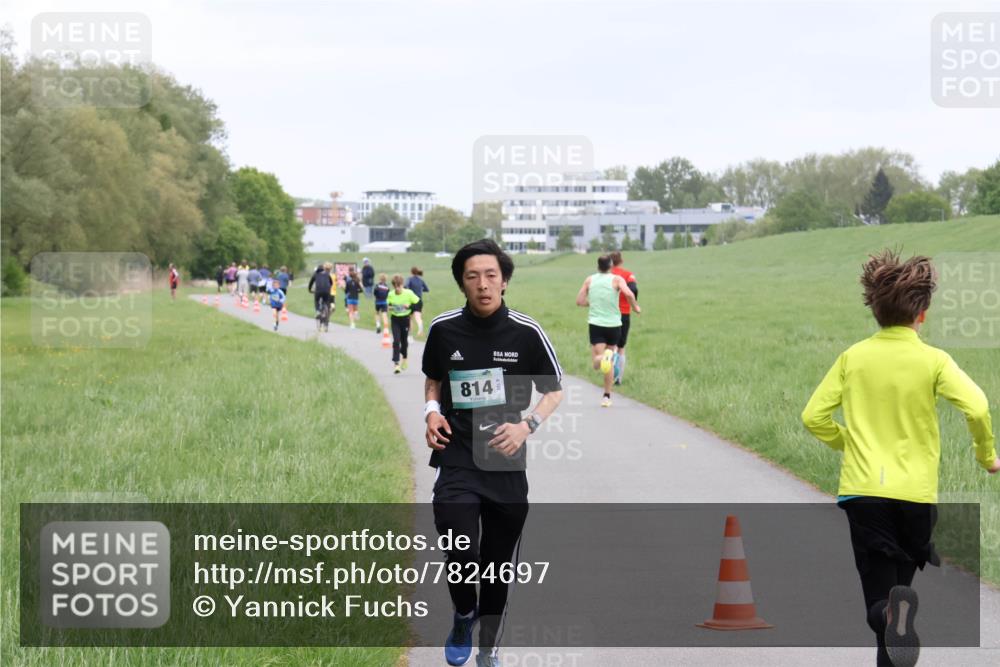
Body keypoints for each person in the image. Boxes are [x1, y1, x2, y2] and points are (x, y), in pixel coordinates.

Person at [802, 249, 998, 667]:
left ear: (873, 309)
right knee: (896, 609)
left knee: (881, 604)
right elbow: (978, 407)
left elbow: (813, 417)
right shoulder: (934, 360)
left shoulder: (853, 358)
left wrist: (849, 444)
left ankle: (890, 615)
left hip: (866, 495)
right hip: (916, 497)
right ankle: (895, 619)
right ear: (922, 313)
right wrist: (987, 455)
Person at [422, 239, 564, 667]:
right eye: (472, 277)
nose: (483, 285)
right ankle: (464, 613)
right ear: (461, 284)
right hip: (458, 455)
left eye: (490, 276)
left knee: (497, 566)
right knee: (459, 546)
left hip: (503, 460)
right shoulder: (444, 329)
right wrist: (431, 411)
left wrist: (527, 426)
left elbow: (553, 392)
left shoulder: (526, 332)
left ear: (504, 281)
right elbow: (433, 379)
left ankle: (488, 647)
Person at [575, 254, 639, 407]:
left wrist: (591, 304)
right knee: (608, 361)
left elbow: (579, 301)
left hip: (596, 325)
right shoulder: (617, 279)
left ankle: (603, 358)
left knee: (597, 362)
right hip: (614, 325)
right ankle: (606, 396)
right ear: (611, 265)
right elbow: (629, 293)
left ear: (598, 266)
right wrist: (635, 306)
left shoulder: (590, 280)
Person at [609, 251, 637, 385]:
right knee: (621, 346)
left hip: (608, 312)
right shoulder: (628, 274)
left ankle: (608, 372)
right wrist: (634, 303)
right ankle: (618, 378)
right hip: (624, 312)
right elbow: (633, 289)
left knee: (610, 345)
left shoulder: (606, 275)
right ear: (621, 261)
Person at [386, 275, 420, 373]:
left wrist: (409, 306)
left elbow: (418, 303)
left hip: (405, 319)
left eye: (399, 286)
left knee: (404, 341)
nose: (397, 288)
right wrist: (391, 308)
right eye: (395, 286)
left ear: (402, 285)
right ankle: (396, 364)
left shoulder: (409, 293)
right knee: (396, 341)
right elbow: (387, 306)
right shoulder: (391, 294)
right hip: (395, 319)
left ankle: (404, 358)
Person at [405, 266, 431, 337]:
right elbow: (427, 289)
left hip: (411, 300)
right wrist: (420, 290)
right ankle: (420, 328)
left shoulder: (409, 279)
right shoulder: (421, 280)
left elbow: (405, 286)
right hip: (419, 301)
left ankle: (410, 334)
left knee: (409, 318)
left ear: (411, 272)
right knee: (418, 316)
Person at [308, 262, 336, 330]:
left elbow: (311, 283)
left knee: (317, 300)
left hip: (318, 291)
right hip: (327, 291)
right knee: (327, 302)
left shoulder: (315, 274)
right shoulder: (327, 274)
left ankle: (318, 311)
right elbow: (331, 283)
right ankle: (326, 316)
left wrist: (310, 290)